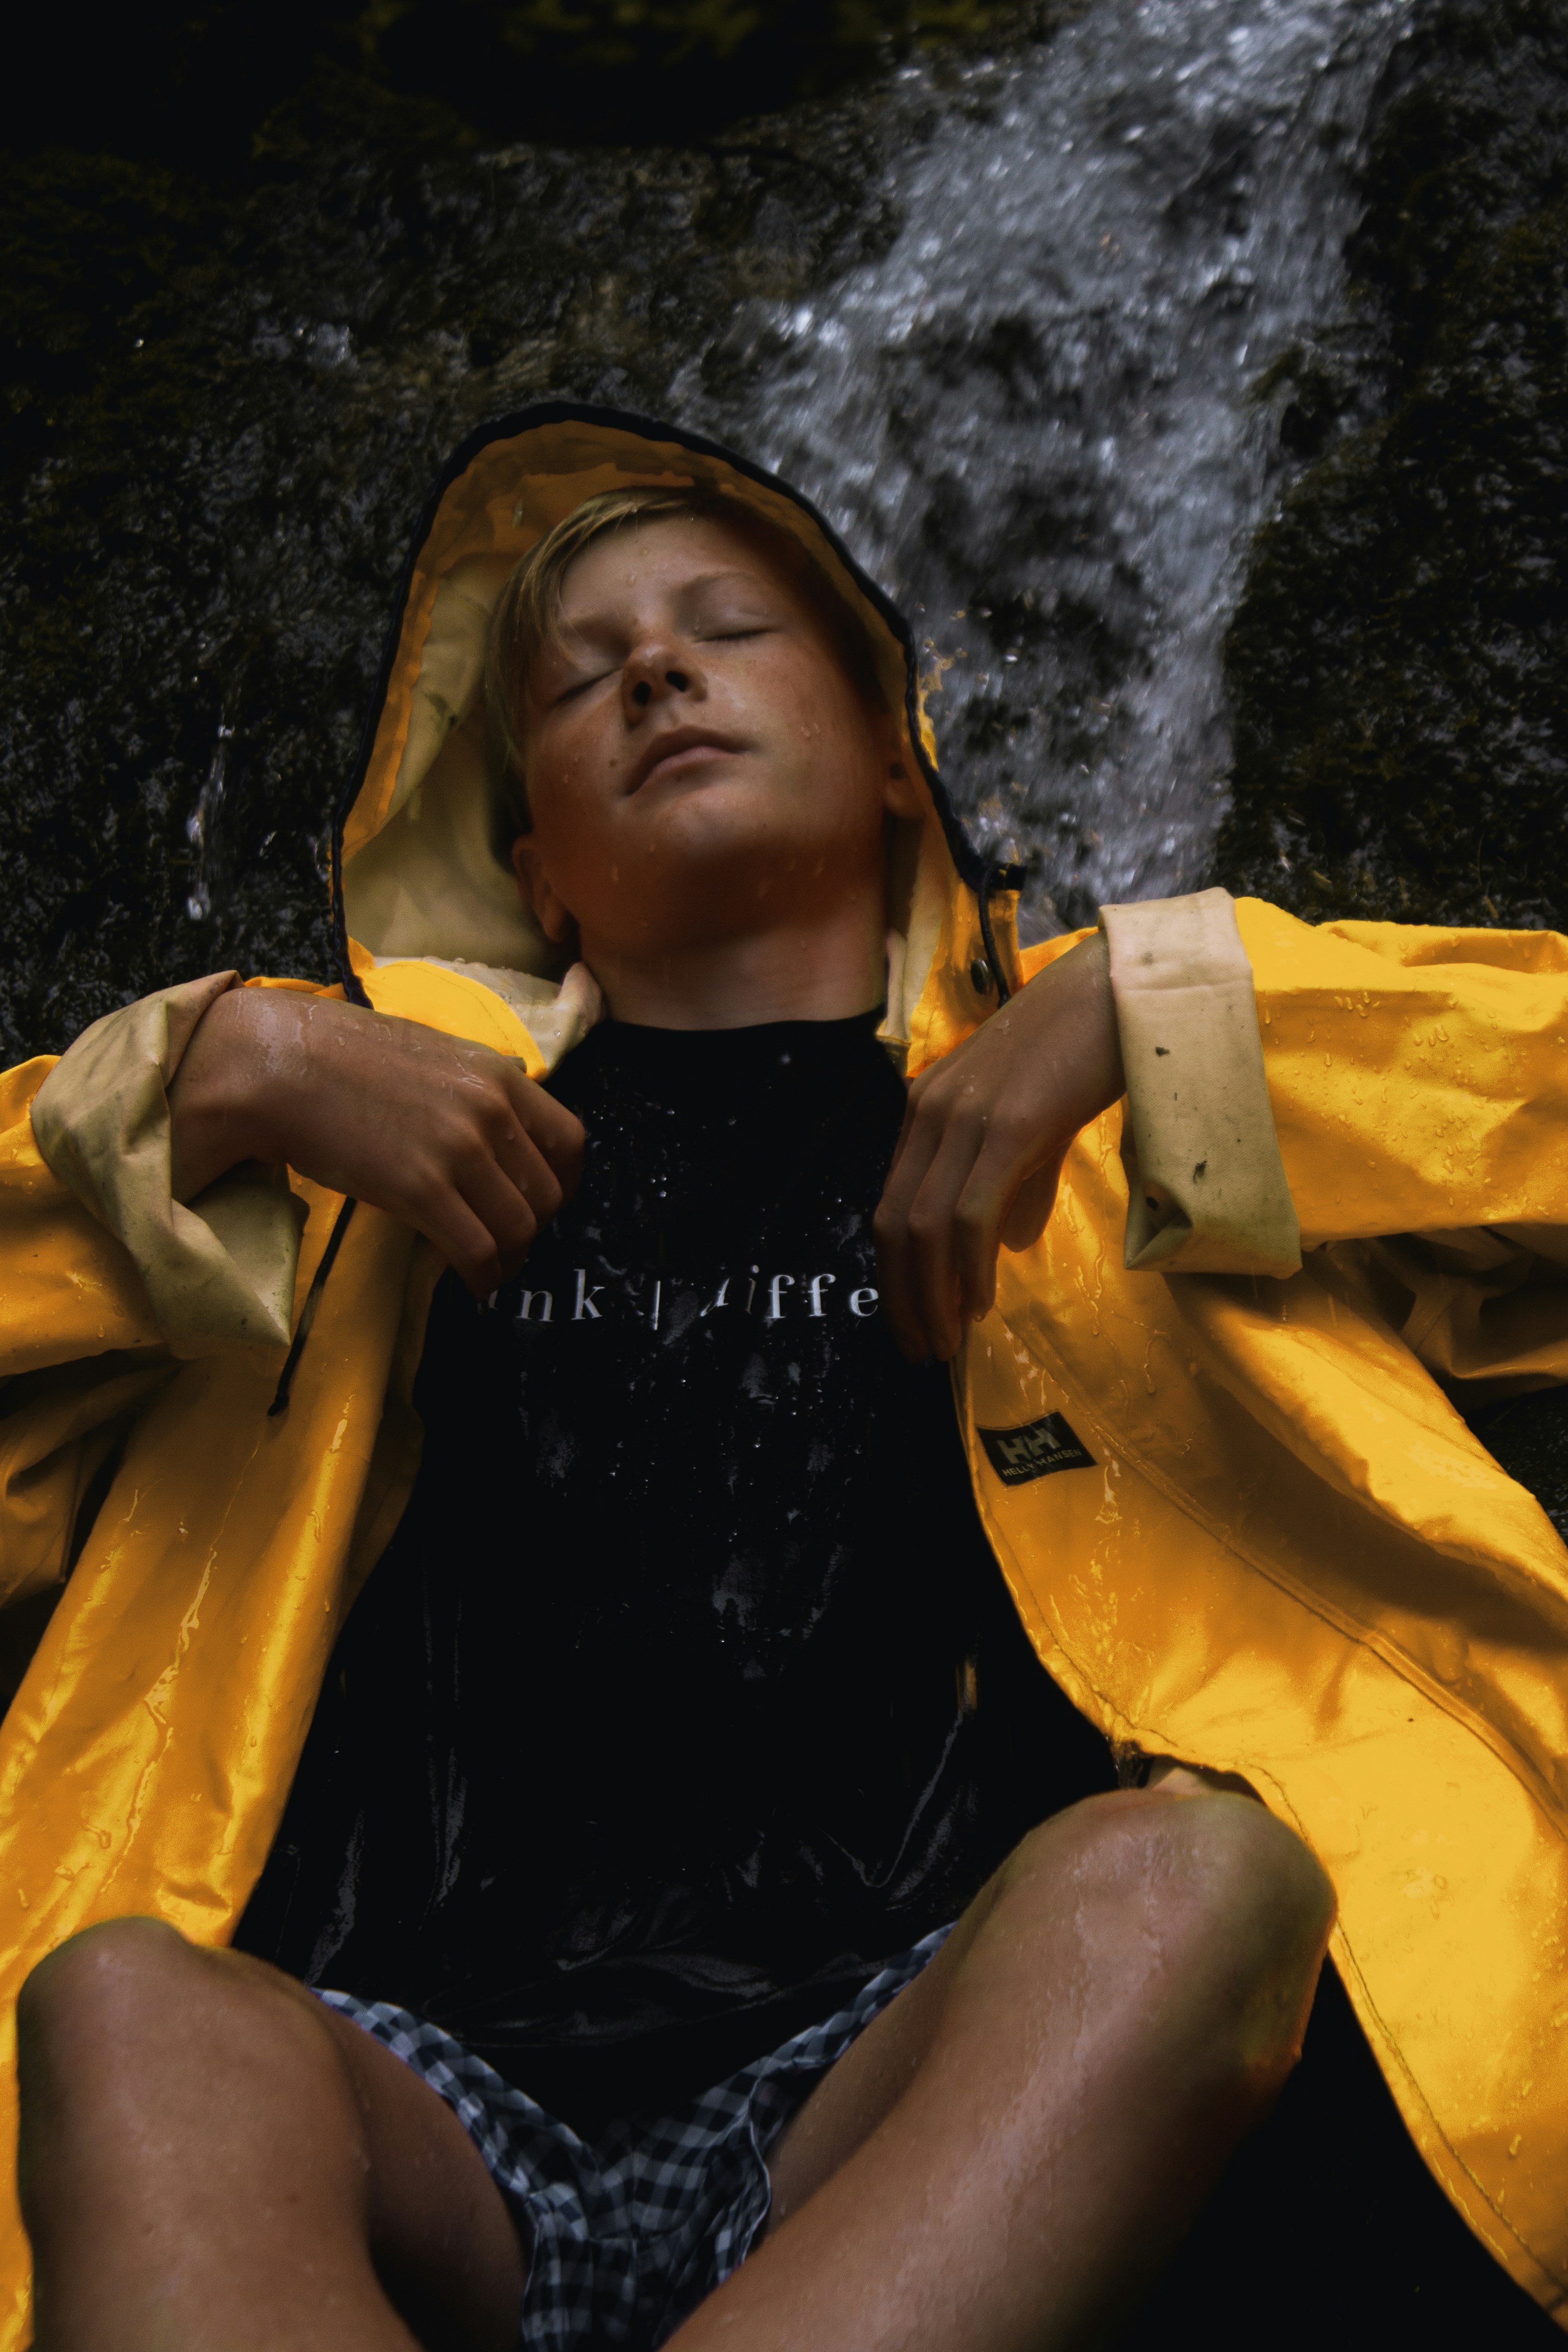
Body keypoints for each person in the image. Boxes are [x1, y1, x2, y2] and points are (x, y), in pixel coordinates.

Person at [3, 409, 1568, 2347]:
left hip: (902, 2102)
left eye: (725, 629)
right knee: (119, 2005)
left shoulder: (1127, 1113)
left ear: (904, 769)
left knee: (1199, 1886)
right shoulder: (333, 1165)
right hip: (409, 2108)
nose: (653, 666)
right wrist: (203, 1080)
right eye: (578, 678)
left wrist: (1153, 1001)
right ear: (534, 871)